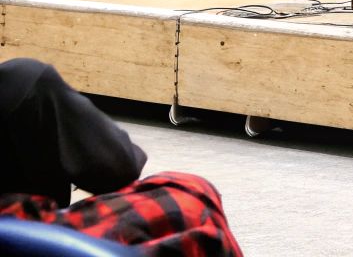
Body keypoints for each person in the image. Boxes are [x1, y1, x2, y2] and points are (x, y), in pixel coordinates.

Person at [0, 58, 244, 256]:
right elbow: (118, 168)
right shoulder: (24, 82)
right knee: (190, 197)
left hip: (21, 232)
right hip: (22, 232)